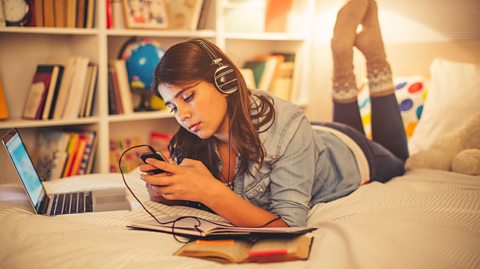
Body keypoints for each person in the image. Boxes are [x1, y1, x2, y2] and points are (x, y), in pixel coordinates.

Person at [139, 0, 408, 228]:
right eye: (172, 107)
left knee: (403, 159)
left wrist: (211, 192)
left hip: (353, 152)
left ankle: (372, 59)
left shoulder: (286, 125)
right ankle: (343, 62)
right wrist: (166, 193)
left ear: (225, 81)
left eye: (188, 97)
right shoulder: (194, 139)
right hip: (311, 136)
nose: (183, 115)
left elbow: (289, 226)